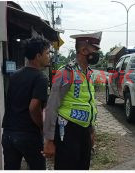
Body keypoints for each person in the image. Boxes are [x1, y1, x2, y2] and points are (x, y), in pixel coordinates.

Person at [42, 31, 102, 170]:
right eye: (95, 49)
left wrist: (91, 130)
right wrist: (49, 140)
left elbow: (89, 103)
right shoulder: (66, 72)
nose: (97, 52)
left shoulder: (88, 73)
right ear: (83, 50)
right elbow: (52, 105)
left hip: (84, 131)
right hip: (68, 131)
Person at [2, 37, 50, 170]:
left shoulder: (15, 75)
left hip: (8, 134)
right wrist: (42, 126)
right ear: (38, 55)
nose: (49, 56)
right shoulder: (40, 77)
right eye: (47, 53)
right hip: (29, 135)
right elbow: (33, 107)